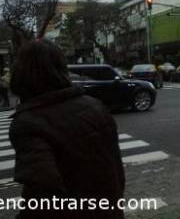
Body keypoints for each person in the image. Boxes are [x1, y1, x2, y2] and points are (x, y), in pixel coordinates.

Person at [9, 39, 125, 218]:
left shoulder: (29, 123)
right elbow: (116, 170)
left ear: (20, 73)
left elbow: (42, 198)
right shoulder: (96, 106)